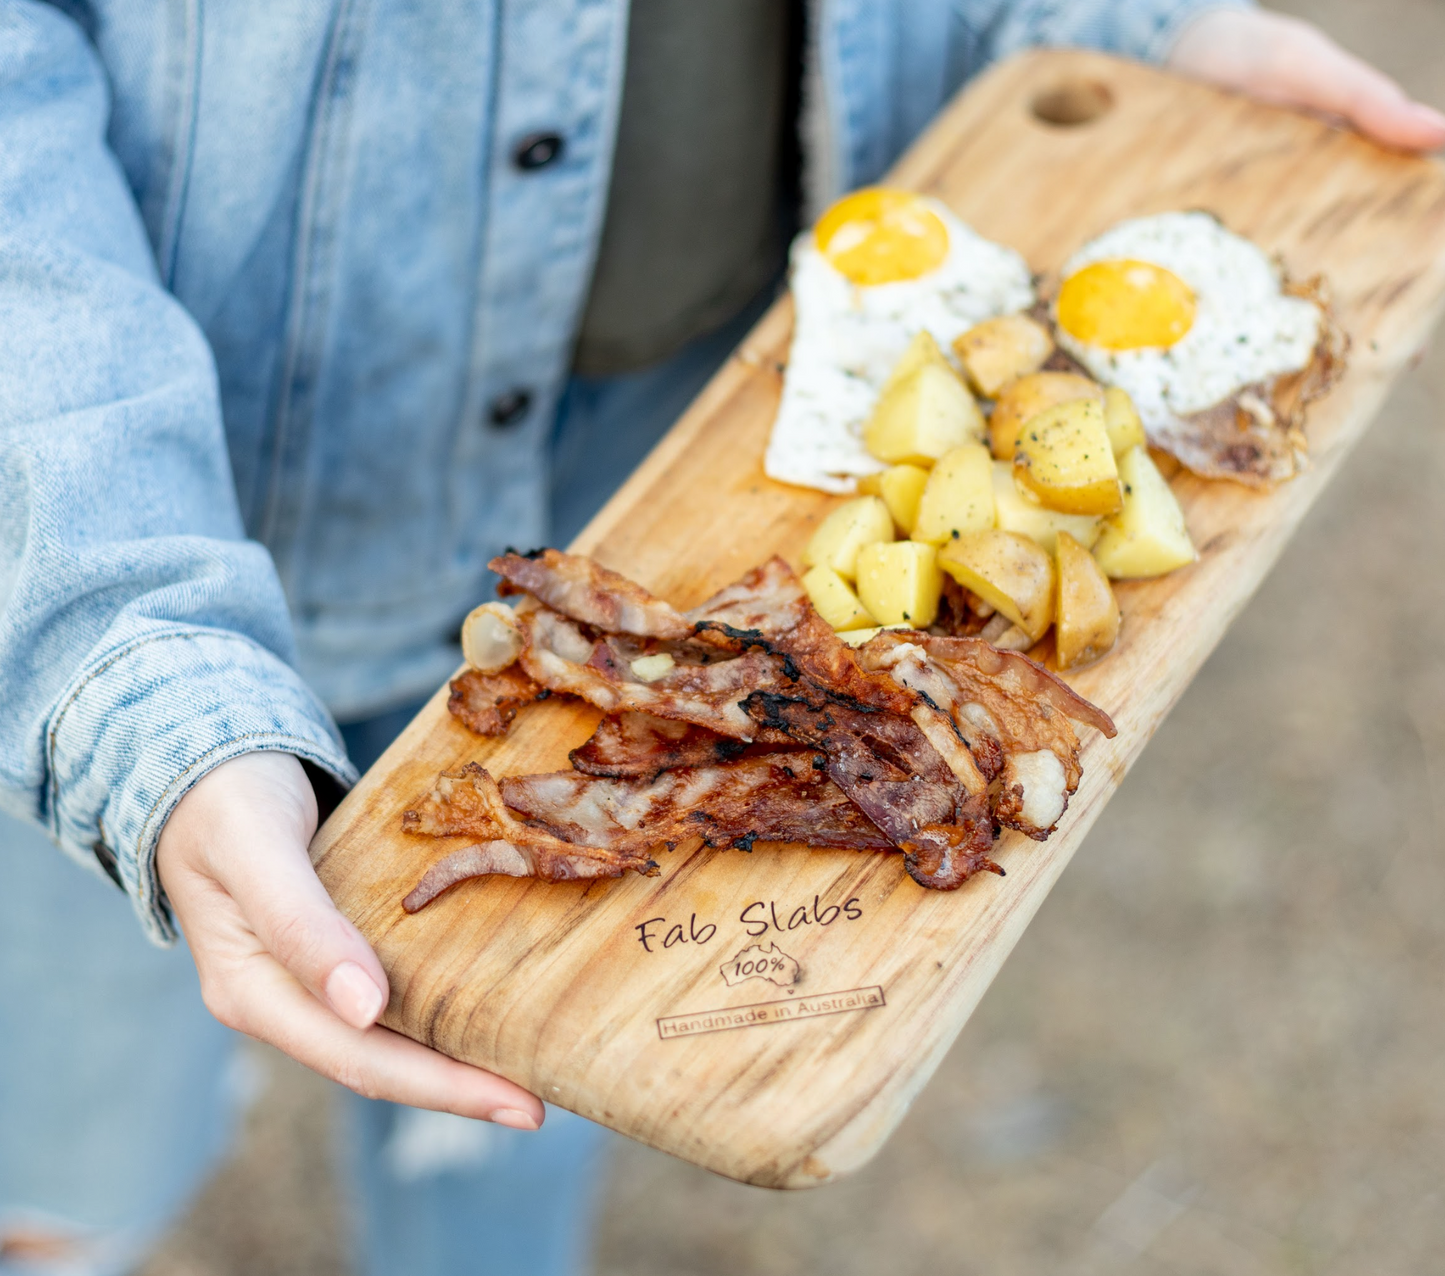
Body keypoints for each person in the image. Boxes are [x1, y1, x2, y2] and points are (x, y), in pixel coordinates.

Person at [0, 2, 1440, 1273]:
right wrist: (134, 673)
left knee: (530, 1084)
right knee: (79, 1133)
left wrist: (1104, 18)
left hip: (689, 416)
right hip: (153, 500)